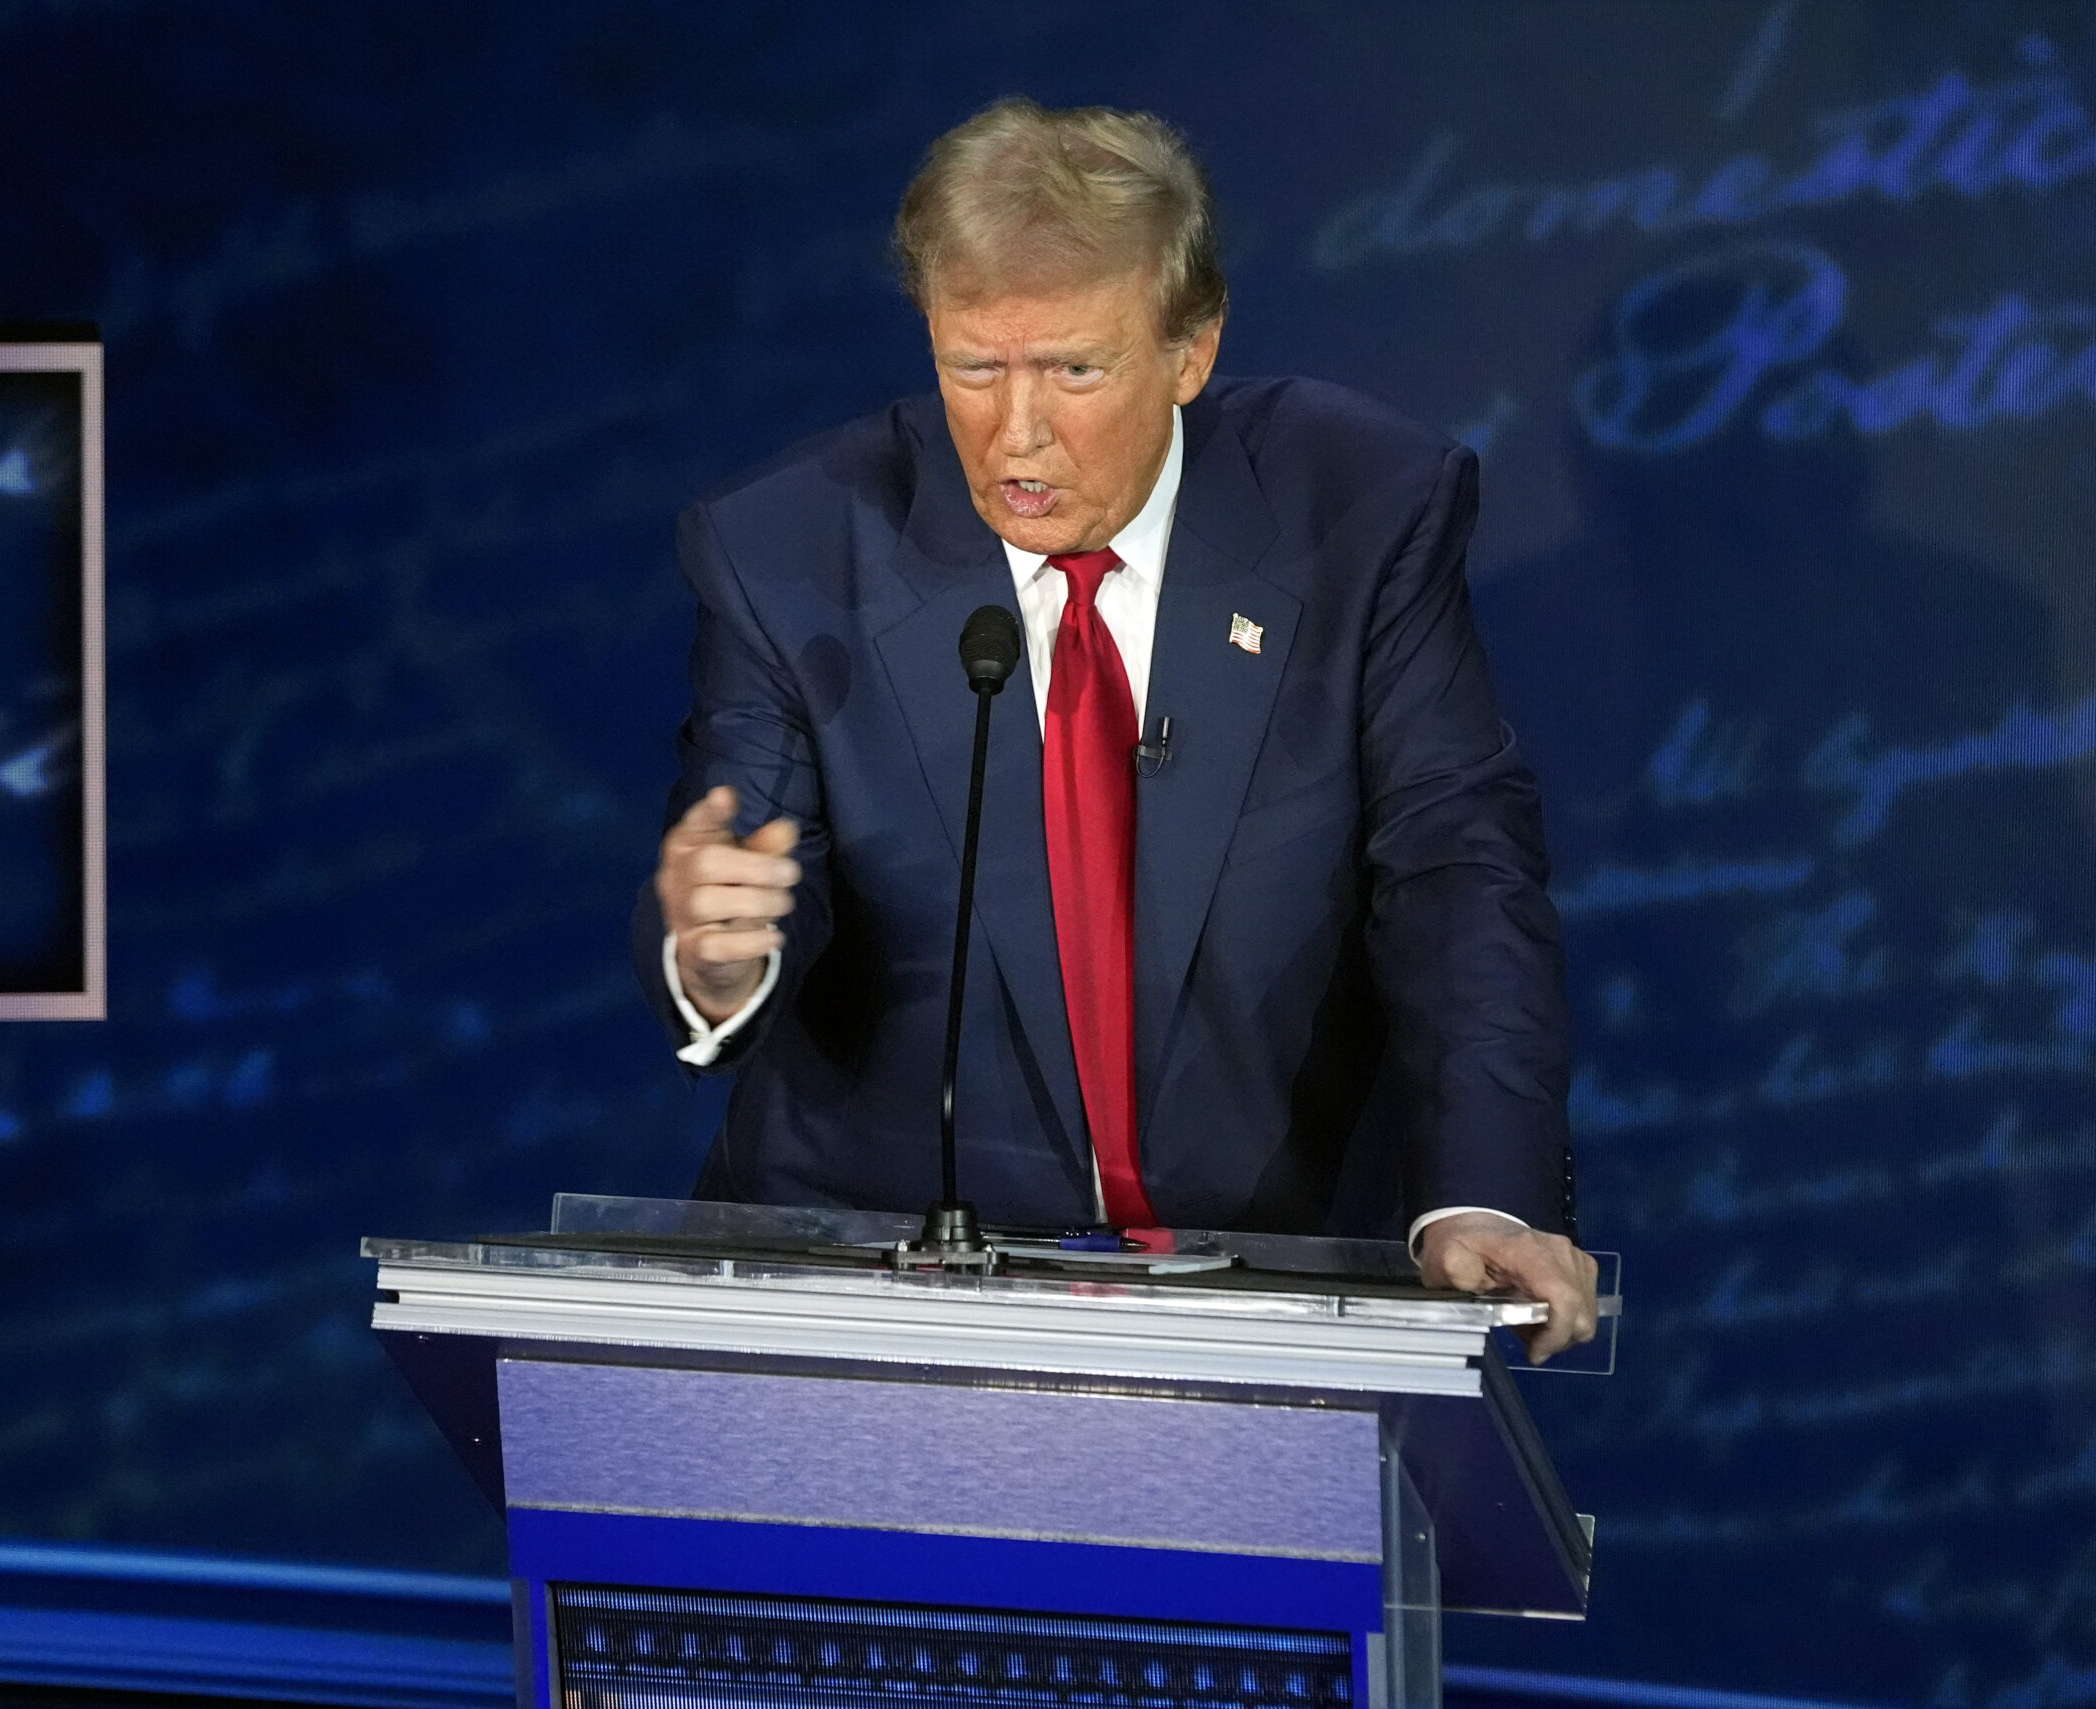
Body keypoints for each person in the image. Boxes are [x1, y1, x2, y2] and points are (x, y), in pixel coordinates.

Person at [635, 99, 1598, 1358]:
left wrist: (1483, 1189)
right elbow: (753, 865)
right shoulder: (789, 551)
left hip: (1266, 1285)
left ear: (1191, 349)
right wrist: (719, 962)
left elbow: (1453, 867)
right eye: (974, 367)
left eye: (1074, 371)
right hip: (881, 1301)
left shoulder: (1358, 509)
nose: (1016, 432)